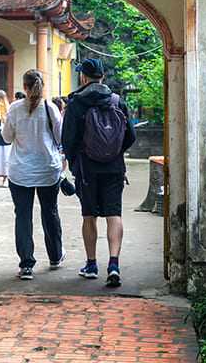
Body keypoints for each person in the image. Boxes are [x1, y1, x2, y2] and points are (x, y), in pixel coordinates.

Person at [61, 58, 135, 288]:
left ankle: (91, 265)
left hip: (87, 169)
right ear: (102, 76)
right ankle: (113, 264)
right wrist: (114, 152)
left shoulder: (76, 103)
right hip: (113, 168)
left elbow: (68, 139)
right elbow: (130, 136)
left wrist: (75, 163)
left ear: (83, 77)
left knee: (89, 215)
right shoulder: (117, 101)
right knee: (114, 214)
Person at [2, 69, 65, 280]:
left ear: (24, 87)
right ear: (42, 86)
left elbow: (7, 137)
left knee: (23, 216)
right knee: (50, 212)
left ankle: (26, 265)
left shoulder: (15, 108)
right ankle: (55, 255)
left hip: (21, 172)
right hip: (48, 169)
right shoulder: (52, 109)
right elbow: (59, 138)